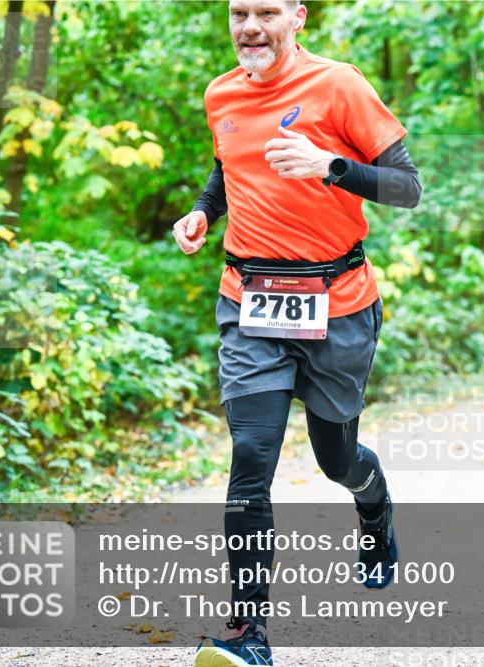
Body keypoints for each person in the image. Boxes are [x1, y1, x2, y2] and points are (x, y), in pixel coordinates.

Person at [173, 2, 422, 664]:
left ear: (298, 17)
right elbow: (229, 166)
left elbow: (408, 187)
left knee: (336, 459)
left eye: (267, 12)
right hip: (250, 301)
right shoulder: (221, 93)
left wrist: (330, 165)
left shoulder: (338, 84)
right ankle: (247, 634)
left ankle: (374, 508)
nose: (250, 26)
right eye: (239, 13)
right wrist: (202, 212)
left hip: (338, 303)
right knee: (251, 455)